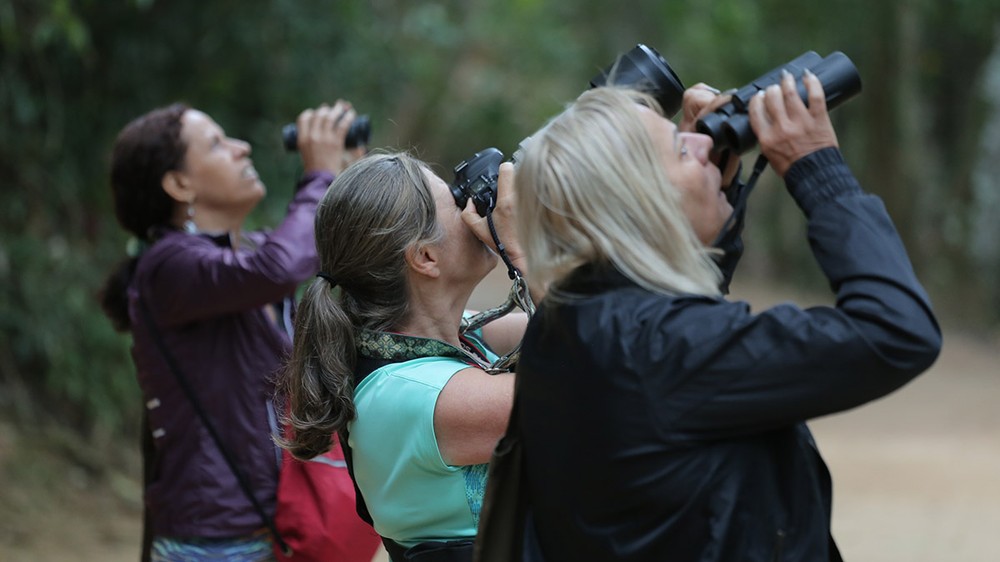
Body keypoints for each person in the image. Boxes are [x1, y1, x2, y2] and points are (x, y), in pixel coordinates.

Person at [509, 71, 942, 560]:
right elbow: (894, 331)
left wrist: (710, 193)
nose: (699, 143)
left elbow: (678, 319)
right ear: (637, 202)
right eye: (678, 149)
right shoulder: (661, 348)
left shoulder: (571, 319)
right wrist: (820, 172)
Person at [99, 100, 379, 561]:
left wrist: (350, 176)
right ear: (178, 183)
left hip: (281, 520)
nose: (241, 147)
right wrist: (318, 176)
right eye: (217, 143)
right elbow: (283, 265)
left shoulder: (249, 256)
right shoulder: (167, 268)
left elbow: (316, 249)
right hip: (213, 540)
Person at [278, 151, 527, 562]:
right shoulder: (423, 395)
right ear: (424, 257)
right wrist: (524, 252)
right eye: (454, 200)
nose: (471, 208)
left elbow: (613, 324)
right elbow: (590, 371)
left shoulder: (446, 335)